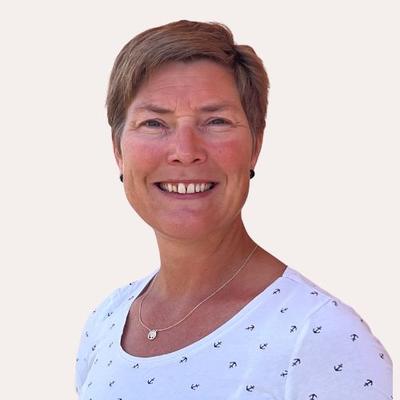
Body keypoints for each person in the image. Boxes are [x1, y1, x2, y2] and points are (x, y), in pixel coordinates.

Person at [75, 20, 392, 399]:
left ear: (255, 145)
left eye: (216, 121)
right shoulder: (107, 322)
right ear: (118, 151)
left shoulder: (320, 338)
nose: (185, 151)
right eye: (154, 122)